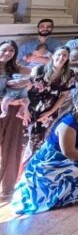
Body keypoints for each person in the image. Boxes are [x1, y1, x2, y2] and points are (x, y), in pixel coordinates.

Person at [12, 90, 78, 215]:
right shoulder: (68, 124)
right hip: (53, 157)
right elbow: (68, 152)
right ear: (76, 104)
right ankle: (64, 194)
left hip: (70, 151)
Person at [26, 45, 75, 160]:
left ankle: (32, 167)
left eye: (64, 55)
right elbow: (26, 90)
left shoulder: (69, 74)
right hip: (31, 109)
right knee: (25, 140)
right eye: (59, 54)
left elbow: (64, 95)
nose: (61, 57)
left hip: (48, 111)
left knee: (39, 140)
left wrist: (51, 112)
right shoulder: (39, 69)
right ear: (53, 56)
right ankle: (19, 168)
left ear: (67, 58)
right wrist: (24, 109)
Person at [0, 40, 26, 196]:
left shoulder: (16, 69)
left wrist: (28, 84)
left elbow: (35, 74)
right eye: (4, 50)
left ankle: (7, 188)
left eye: (11, 51)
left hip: (14, 112)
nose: (7, 53)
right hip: (4, 106)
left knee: (12, 148)